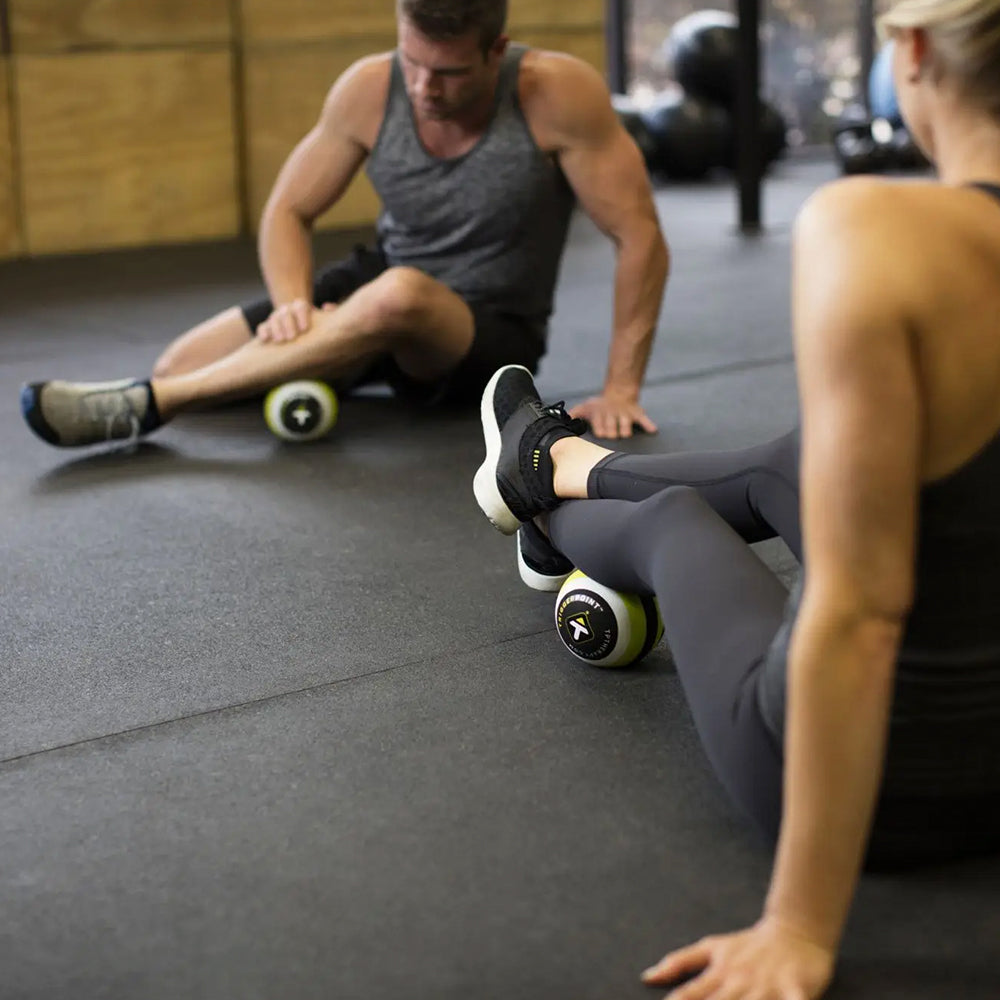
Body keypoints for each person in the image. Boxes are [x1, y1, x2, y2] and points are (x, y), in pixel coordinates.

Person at [473, 0, 1000, 994]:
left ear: (916, 53)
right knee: (796, 458)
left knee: (678, 523)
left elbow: (861, 612)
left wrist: (799, 924)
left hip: (895, 789)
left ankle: (541, 495)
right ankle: (557, 464)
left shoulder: (875, 229)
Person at [20, 0, 668, 450]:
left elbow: (639, 234)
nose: (421, 88)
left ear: (495, 49)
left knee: (401, 293)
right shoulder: (366, 89)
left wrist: (620, 388)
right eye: (411, 62)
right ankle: (318, 354)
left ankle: (150, 404)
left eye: (446, 72)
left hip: (485, 330)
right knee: (185, 360)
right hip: (376, 286)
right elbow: (288, 209)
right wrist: (294, 304)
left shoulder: (557, 95)